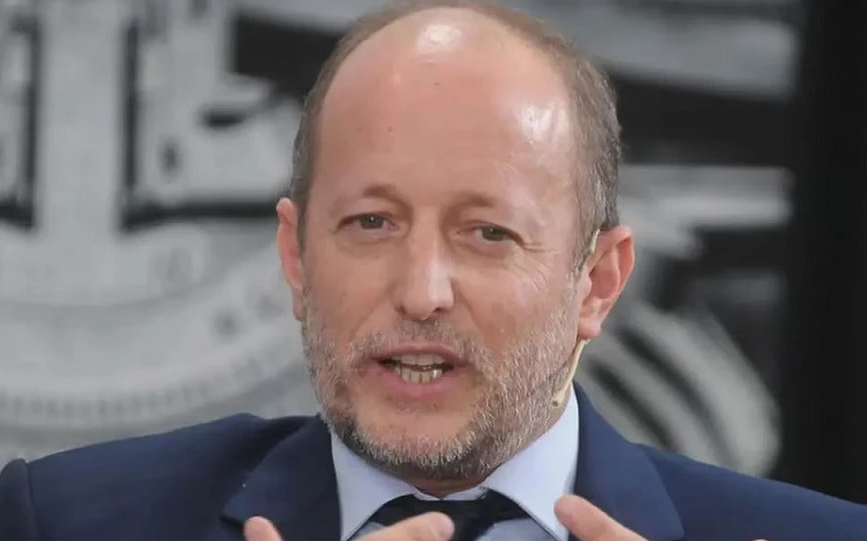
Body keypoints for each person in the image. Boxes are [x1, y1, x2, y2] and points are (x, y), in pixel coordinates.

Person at [1, 1, 865, 540]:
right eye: (371, 223)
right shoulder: (64, 519)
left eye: (486, 233)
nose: (420, 292)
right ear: (295, 259)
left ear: (597, 281)